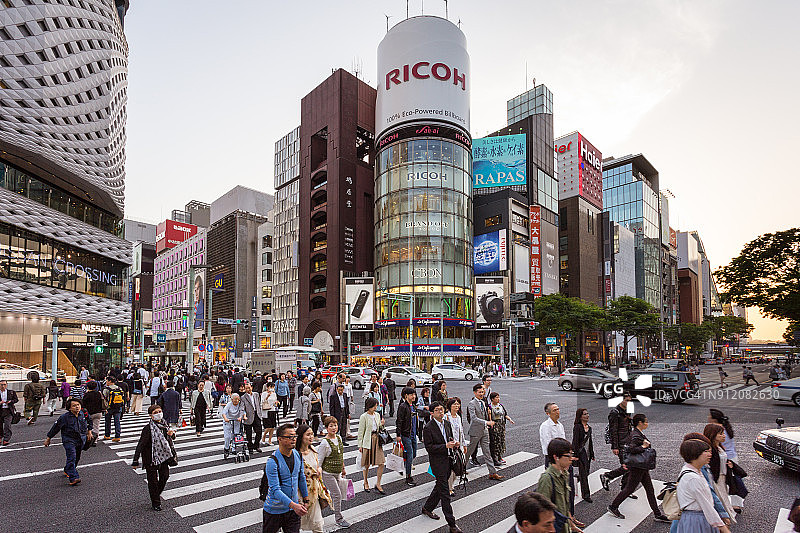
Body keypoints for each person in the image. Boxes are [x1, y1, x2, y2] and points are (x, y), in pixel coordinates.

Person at [606, 414, 670, 522]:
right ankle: (613, 506)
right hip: (638, 467)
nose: (647, 423)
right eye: (646, 421)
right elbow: (631, 449)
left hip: (641, 467)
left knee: (649, 490)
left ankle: (657, 514)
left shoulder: (637, 432)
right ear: (640, 423)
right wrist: (643, 447)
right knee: (630, 489)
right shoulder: (636, 435)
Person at [421, 401, 463, 533]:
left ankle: (427, 508)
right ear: (432, 413)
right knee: (445, 493)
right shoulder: (428, 427)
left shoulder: (447, 423)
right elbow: (429, 448)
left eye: (442, 409)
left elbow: (449, 438)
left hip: (448, 459)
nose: (441, 412)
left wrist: (454, 444)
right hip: (438, 462)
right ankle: (452, 524)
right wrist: (445, 446)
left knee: (440, 486)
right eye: (438, 410)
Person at [675, 438, 730, 533]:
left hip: (695, 518)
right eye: (706, 451)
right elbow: (706, 505)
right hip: (697, 520)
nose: (710, 454)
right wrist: (722, 527)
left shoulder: (693, 471)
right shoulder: (693, 478)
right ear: (695, 454)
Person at [262, 424, 309, 533]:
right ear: (280, 439)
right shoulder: (272, 461)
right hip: (274, 511)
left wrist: (306, 499)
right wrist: (294, 505)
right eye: (290, 437)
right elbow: (275, 489)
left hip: (292, 510)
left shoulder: (298, 455)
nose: (293, 440)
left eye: (295, 436)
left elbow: (301, 478)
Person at [131, 404, 176, 511]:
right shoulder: (147, 429)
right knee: (153, 481)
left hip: (164, 456)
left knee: (165, 476)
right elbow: (141, 444)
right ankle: (156, 502)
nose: (158, 414)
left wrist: (172, 434)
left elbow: (171, 438)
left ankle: (156, 494)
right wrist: (135, 460)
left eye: (160, 411)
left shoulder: (165, 425)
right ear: (151, 415)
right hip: (151, 458)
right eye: (155, 412)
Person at [536, 438, 583, 533]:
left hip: (564, 527)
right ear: (556, 457)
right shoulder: (547, 479)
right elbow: (541, 512)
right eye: (568, 456)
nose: (571, 459)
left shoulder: (564, 474)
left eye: (571, 455)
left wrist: (571, 525)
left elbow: (564, 506)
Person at [44, 398, 91, 485]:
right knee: (72, 457)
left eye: (78, 405)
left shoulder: (83, 414)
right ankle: (73, 477)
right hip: (69, 440)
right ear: (69, 408)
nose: (77, 407)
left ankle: (67, 470)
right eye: (74, 406)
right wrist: (48, 438)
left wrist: (89, 432)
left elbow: (89, 421)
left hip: (80, 439)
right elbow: (55, 428)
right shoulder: (64, 417)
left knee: (77, 457)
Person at [317, 416, 350, 529]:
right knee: (337, 494)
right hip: (327, 473)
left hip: (337, 472)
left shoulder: (339, 438)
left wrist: (343, 468)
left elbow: (341, 456)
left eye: (335, 425)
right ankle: (339, 519)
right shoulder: (324, 443)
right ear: (326, 428)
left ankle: (318, 509)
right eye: (331, 426)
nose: (334, 428)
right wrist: (319, 476)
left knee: (333, 494)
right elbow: (319, 461)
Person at [708, 408, 743, 513]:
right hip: (732, 457)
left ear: (714, 419)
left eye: (710, 416)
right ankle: (736, 504)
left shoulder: (718, 430)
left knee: (723, 481)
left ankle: (724, 505)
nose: (708, 417)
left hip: (725, 459)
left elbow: (716, 444)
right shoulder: (726, 427)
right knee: (733, 481)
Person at [465, 383, 502, 480]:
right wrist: (487, 422)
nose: (481, 394)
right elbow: (473, 418)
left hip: (484, 430)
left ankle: (492, 473)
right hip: (476, 431)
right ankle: (461, 468)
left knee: (487, 452)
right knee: (470, 451)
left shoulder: (483, 402)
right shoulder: (471, 403)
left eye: (482, 392)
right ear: (474, 392)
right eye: (479, 392)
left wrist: (488, 422)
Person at [295, 424, 328, 533]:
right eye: (308, 435)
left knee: (317, 524)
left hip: (314, 492)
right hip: (299, 493)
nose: (311, 437)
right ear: (300, 437)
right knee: (296, 523)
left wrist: (319, 470)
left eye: (312, 434)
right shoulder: (295, 454)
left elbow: (317, 466)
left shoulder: (313, 450)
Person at [703, 423, 738, 523]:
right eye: (721, 434)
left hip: (722, 479)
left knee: (724, 502)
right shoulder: (710, 450)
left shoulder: (719, 447)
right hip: (716, 480)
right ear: (713, 435)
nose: (724, 435)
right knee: (720, 503)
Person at [600, 392, 634, 492]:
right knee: (627, 466)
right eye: (626, 400)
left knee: (629, 466)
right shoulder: (615, 413)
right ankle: (608, 476)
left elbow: (628, 426)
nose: (629, 402)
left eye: (630, 400)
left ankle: (624, 488)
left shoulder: (627, 410)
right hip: (620, 443)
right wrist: (615, 446)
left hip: (628, 441)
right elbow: (613, 430)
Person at [357, 396, 385, 494]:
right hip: (367, 441)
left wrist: (382, 424)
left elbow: (379, 428)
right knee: (366, 464)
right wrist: (360, 445)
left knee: (381, 462)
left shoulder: (377, 415)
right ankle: (365, 482)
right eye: (374, 406)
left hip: (377, 440)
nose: (375, 408)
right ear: (369, 406)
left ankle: (378, 483)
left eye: (376, 406)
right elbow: (361, 432)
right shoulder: (364, 416)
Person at [396, 386, 420, 486]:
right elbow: (399, 421)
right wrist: (398, 434)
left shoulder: (413, 406)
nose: (414, 396)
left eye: (414, 394)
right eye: (411, 395)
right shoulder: (403, 406)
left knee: (414, 454)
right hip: (406, 434)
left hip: (413, 434)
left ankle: (404, 465)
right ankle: (408, 477)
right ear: (406, 396)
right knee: (410, 454)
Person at [572, 408, 595, 502]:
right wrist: (575, 454)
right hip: (581, 454)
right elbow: (575, 441)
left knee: (586, 473)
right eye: (585, 414)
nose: (587, 415)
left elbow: (590, 441)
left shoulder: (589, 428)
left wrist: (592, 453)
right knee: (584, 474)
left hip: (588, 453)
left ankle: (575, 479)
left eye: (587, 413)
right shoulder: (577, 427)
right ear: (580, 417)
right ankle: (586, 495)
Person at [445, 397, 467, 495]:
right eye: (454, 404)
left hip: (458, 446)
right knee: (451, 468)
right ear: (450, 406)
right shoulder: (446, 417)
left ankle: (450, 484)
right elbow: (445, 433)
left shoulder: (458, 417)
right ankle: (449, 488)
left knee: (457, 466)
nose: (457, 406)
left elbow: (461, 432)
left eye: (458, 404)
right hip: (450, 447)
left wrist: (464, 444)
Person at [489, 391, 514, 466]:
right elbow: (489, 417)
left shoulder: (501, 405)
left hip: (501, 426)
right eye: (496, 397)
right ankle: (494, 458)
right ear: (492, 399)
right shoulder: (489, 407)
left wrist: (510, 419)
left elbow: (505, 414)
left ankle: (500, 456)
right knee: (495, 442)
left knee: (501, 441)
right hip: (495, 427)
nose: (498, 399)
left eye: (498, 397)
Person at [242, 382, 263, 454]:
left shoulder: (256, 394)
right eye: (246, 388)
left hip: (257, 415)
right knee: (249, 434)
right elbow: (242, 408)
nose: (248, 389)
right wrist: (243, 416)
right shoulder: (243, 397)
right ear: (244, 389)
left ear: (251, 387)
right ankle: (250, 447)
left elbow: (258, 404)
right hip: (248, 416)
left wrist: (260, 413)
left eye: (249, 388)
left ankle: (256, 445)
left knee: (259, 431)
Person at [221, 393, 244, 459]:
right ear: (232, 399)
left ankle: (234, 448)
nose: (236, 401)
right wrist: (225, 418)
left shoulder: (240, 404)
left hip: (236, 421)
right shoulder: (229, 404)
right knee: (227, 437)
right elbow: (224, 412)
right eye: (235, 399)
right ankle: (226, 448)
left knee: (235, 435)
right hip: (228, 421)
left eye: (237, 399)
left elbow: (243, 411)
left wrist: (241, 417)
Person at [102, 376, 125, 441]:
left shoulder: (106, 389)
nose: (106, 382)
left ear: (109, 381)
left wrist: (104, 408)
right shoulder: (119, 388)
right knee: (117, 422)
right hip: (118, 407)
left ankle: (107, 435)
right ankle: (117, 436)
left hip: (109, 407)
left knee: (107, 421)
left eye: (107, 381)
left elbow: (104, 398)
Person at [0, 380, 19, 445]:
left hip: (8, 410)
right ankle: (0, 437)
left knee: (7, 425)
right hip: (0, 410)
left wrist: (11, 401)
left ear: (7, 385)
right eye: (1, 385)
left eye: (4, 384)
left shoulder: (11, 392)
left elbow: (16, 400)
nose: (3, 386)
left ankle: (6, 439)